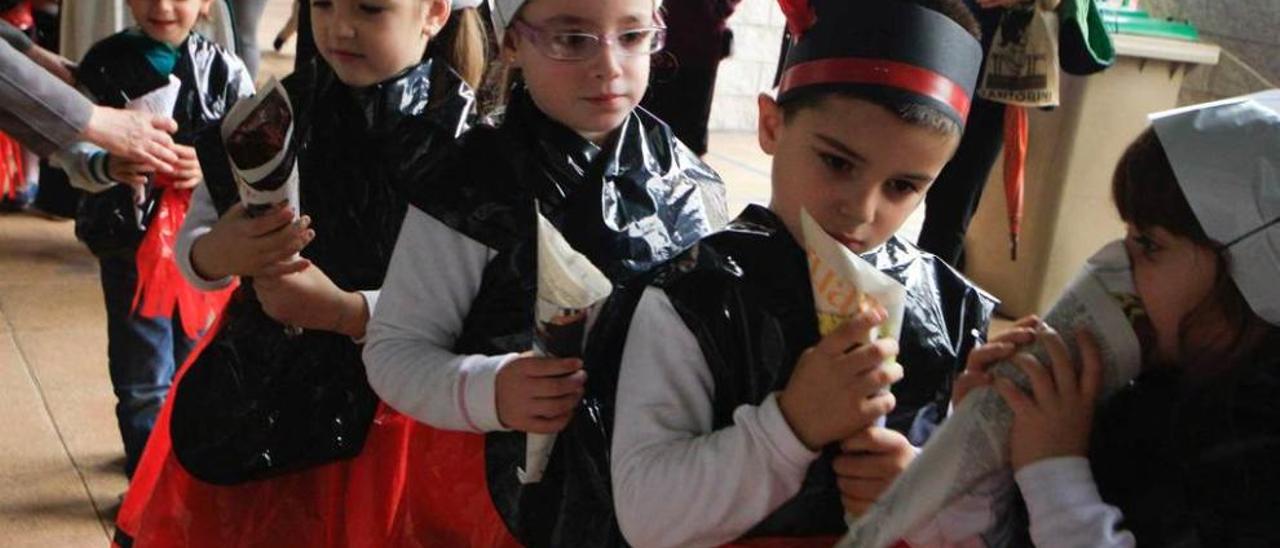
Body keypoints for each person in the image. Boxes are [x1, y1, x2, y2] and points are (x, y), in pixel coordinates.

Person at [604, 0, 996, 545]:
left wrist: (924, 487)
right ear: (771, 125)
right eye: (837, 162)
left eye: (903, 186)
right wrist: (791, 426)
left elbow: (991, 519)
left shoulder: (950, 310)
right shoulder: (692, 299)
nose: (861, 211)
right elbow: (647, 518)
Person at [110, 1, 490, 546]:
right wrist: (223, 252)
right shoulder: (273, 115)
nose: (340, 26)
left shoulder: (471, 145)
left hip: (399, 422)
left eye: (370, 8)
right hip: (261, 386)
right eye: (324, 4)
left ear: (433, 12)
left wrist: (349, 313)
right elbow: (199, 248)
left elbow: (473, 303)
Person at [361, 0, 727, 545]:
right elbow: (394, 350)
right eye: (573, 40)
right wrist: (491, 391)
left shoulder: (690, 183)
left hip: (645, 502)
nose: (609, 66)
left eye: (632, 36)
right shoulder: (469, 183)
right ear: (511, 42)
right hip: (488, 500)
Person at [950, 91, 1280, 547]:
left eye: (1148, 245)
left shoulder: (1254, 461)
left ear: (1252, 272)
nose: (1114, 263)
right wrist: (987, 463)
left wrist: (1053, 473)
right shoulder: (1145, 399)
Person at [49, 0, 253, 479]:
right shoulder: (102, 64)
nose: (162, 6)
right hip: (130, 244)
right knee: (142, 368)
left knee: (200, 358)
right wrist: (106, 164)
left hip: (203, 246)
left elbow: (251, 146)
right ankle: (148, 475)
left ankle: (184, 466)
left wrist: (210, 168)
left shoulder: (225, 68)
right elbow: (69, 145)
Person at [638, 0, 740, 157]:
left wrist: (716, 9)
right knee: (648, 124)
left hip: (700, 47)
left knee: (690, 132)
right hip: (661, 44)